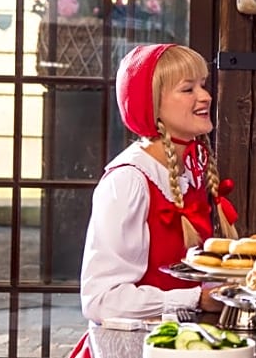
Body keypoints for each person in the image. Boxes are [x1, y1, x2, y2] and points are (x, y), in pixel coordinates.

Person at [79, 44, 239, 323]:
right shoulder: (128, 181)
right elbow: (100, 301)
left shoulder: (190, 170)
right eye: (188, 89)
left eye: (202, 85)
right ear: (152, 104)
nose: (206, 97)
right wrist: (194, 299)